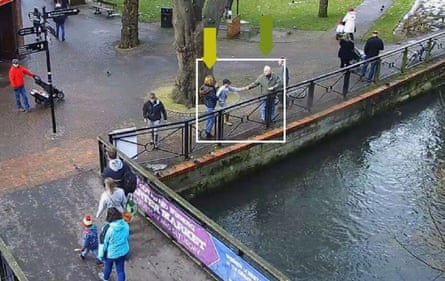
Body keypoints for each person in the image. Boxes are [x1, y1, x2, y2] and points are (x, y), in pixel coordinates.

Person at [98, 207, 130, 281]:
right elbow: (127, 238)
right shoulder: (125, 225)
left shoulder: (108, 228)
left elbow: (103, 243)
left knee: (108, 266)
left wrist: (101, 255)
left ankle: (105, 278)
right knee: (120, 270)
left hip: (111, 254)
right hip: (123, 251)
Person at [200, 75, 219, 139]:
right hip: (211, 105)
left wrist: (215, 88)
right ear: (210, 81)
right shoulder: (210, 90)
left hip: (208, 104)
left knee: (209, 118)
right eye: (212, 80)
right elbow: (214, 97)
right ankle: (208, 133)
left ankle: (207, 130)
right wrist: (218, 97)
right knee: (211, 120)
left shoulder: (204, 87)